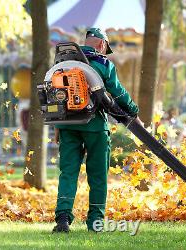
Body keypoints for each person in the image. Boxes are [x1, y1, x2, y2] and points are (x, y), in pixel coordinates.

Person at [52, 28, 142, 233]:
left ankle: (63, 219)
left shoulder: (62, 63)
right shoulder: (102, 63)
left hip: (67, 125)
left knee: (68, 172)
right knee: (98, 175)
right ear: (102, 45)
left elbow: (56, 95)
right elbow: (118, 93)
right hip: (95, 126)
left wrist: (58, 126)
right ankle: (95, 221)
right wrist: (134, 112)